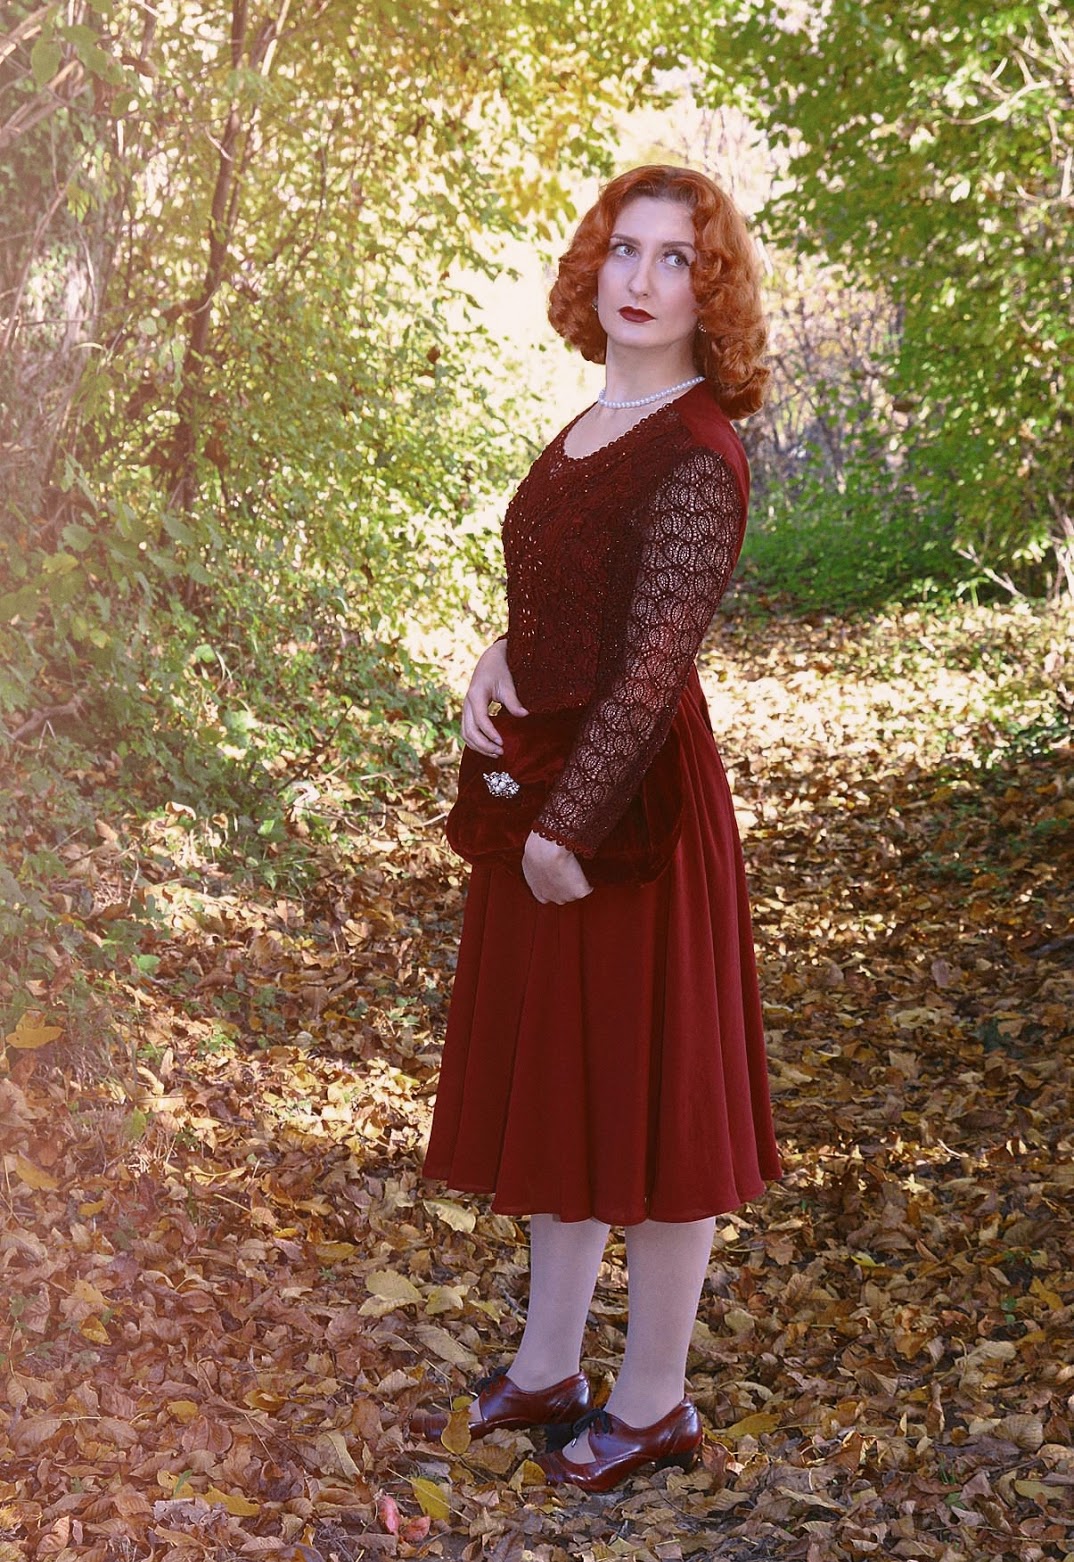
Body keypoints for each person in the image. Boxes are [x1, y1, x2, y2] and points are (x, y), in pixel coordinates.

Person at [414, 164, 782, 1493]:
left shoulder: (697, 453)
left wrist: (565, 827)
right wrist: (493, 657)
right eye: (625, 249)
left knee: (656, 1101)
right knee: (565, 1085)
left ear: (711, 289)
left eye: (677, 259)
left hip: (631, 816)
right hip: (548, 782)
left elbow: (652, 665)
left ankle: (655, 1399)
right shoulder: (592, 423)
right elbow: (563, 598)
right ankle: (549, 1366)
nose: (641, 279)